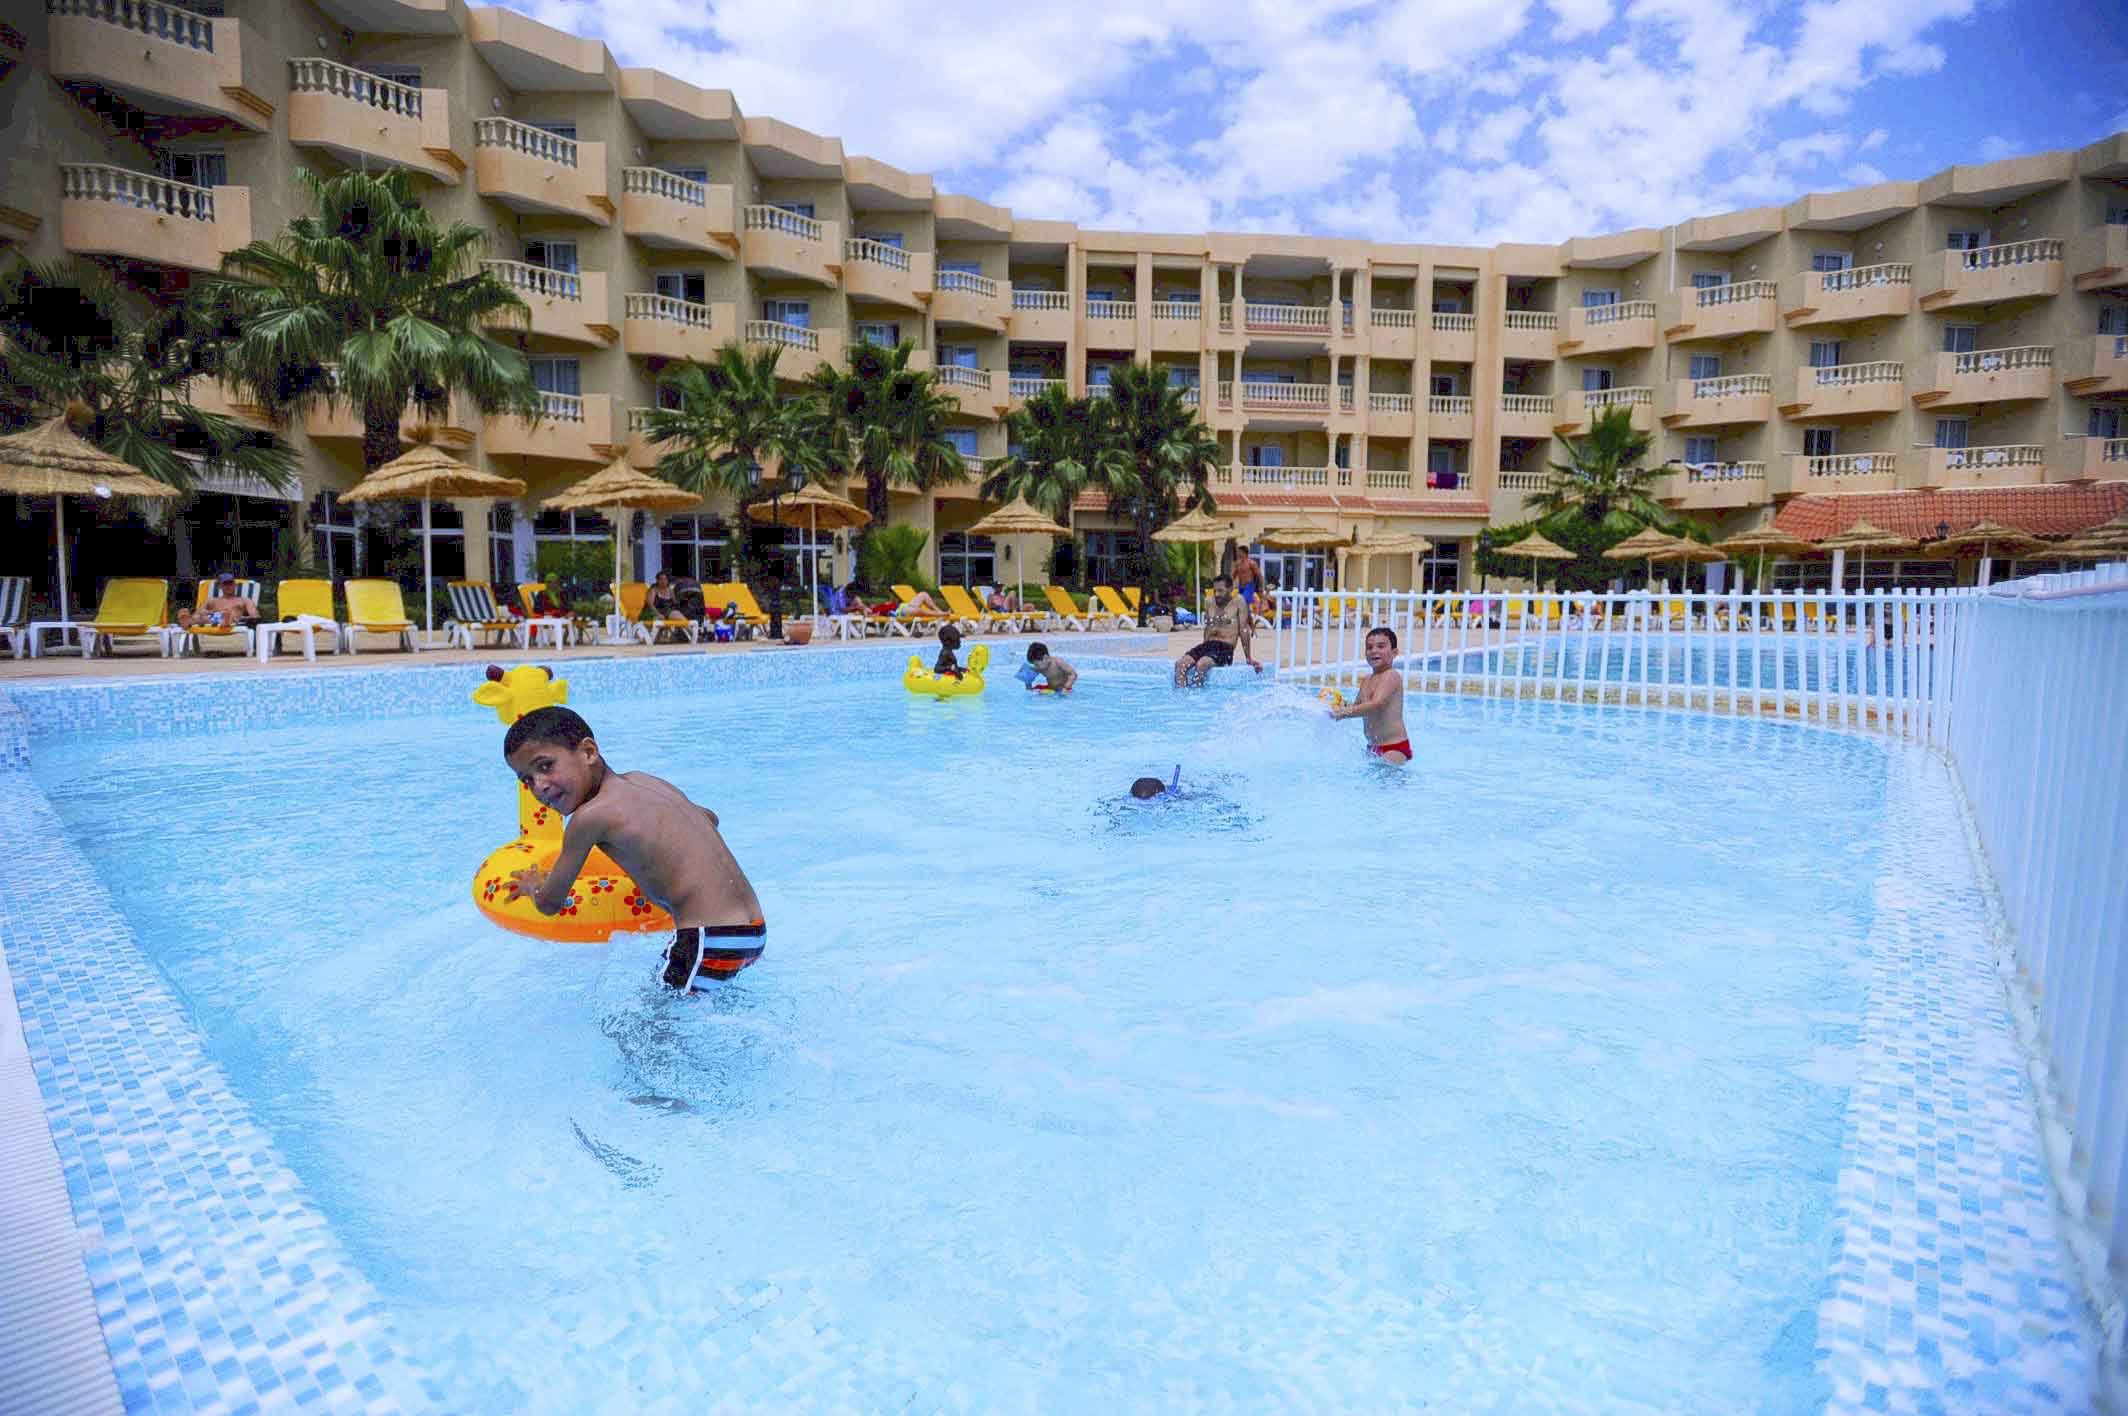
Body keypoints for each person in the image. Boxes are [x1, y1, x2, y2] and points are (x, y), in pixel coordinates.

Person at [500, 705, 765, 990]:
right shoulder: (644, 781)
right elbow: (709, 817)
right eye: (526, 780)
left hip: (708, 938)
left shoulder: (589, 817)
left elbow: (550, 903)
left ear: (588, 752)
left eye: (545, 766)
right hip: (753, 930)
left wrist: (533, 886)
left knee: (651, 1029)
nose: (538, 786)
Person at [1326, 626, 1410, 764]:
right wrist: (1339, 705)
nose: (1374, 650)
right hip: (1372, 747)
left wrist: (1342, 714)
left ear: (1394, 653)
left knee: (1387, 783)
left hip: (1394, 748)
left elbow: (1376, 705)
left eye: (1381, 646)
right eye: (1369, 647)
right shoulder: (1366, 680)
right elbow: (1357, 707)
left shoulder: (1391, 676)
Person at [1174, 574, 1261, 687]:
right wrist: (1204, 647)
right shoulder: (1209, 602)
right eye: (1215, 590)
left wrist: (1248, 658)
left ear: (1230, 589)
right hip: (1207, 646)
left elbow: (1243, 630)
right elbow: (1208, 628)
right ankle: (1182, 696)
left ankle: (1196, 696)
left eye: (1221, 590)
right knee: (1180, 664)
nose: (1217, 594)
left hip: (1225, 648)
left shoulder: (1238, 602)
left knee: (1202, 664)